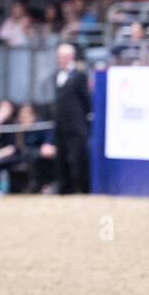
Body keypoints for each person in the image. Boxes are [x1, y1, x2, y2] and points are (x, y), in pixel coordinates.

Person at [51, 43, 91, 194]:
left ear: (70, 57)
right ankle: (64, 187)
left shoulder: (79, 75)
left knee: (78, 156)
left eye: (62, 57)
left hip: (76, 124)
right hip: (60, 124)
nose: (59, 60)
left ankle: (81, 187)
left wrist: (82, 120)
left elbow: (85, 100)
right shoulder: (56, 75)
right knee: (61, 157)